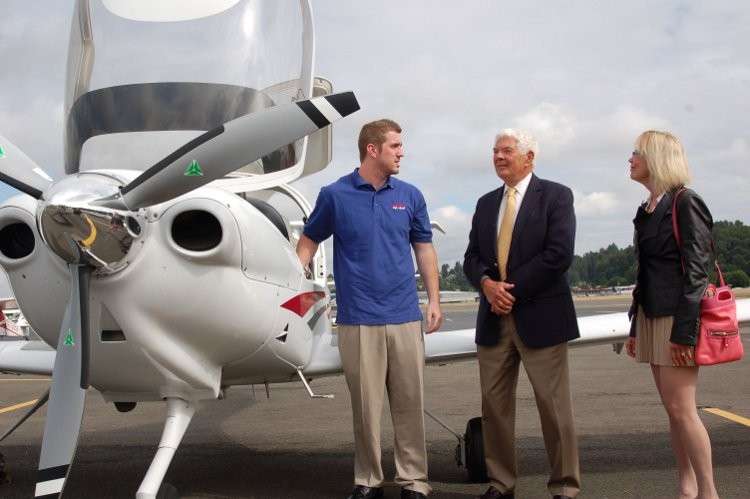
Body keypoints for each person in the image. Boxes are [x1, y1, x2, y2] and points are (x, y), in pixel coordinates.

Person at [296, 118, 443, 499]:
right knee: (365, 408)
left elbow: (424, 249)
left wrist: (435, 300)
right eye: (395, 146)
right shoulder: (334, 194)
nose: (402, 152)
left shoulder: (410, 195)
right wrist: (295, 277)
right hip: (358, 319)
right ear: (372, 149)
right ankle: (369, 481)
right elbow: (309, 241)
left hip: (405, 316)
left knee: (410, 404)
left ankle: (414, 481)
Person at [463, 129, 580, 499]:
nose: (498, 157)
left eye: (507, 151)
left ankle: (564, 487)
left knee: (554, 410)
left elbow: (558, 254)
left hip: (541, 318)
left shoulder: (557, 196)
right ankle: (501, 483)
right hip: (494, 322)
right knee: (494, 409)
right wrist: (486, 284)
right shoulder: (484, 204)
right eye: (495, 151)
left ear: (529, 158)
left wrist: (508, 290)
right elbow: (470, 258)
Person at [625, 130, 719, 499]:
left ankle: (708, 492)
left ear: (657, 158)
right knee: (672, 410)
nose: (630, 159)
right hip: (651, 315)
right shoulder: (649, 208)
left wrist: (684, 332)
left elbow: (697, 273)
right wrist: (635, 324)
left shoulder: (685, 202)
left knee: (682, 409)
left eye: (637, 153)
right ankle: (687, 487)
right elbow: (645, 274)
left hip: (675, 318)